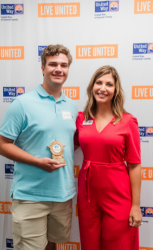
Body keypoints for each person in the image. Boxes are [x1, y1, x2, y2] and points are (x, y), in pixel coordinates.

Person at [0, 44, 78, 250]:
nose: (58, 69)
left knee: (52, 247)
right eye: (53, 64)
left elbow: (69, 144)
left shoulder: (72, 106)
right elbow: (1, 145)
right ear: (43, 68)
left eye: (63, 65)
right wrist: (38, 162)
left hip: (62, 195)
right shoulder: (22, 104)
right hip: (31, 196)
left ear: (68, 69)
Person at [75, 66, 142, 250]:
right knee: (89, 244)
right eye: (99, 82)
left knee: (118, 244)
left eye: (109, 84)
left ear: (116, 90)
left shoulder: (128, 121)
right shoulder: (81, 119)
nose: (103, 88)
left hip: (118, 193)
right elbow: (66, 147)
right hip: (87, 194)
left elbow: (135, 165)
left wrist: (136, 205)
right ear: (92, 86)